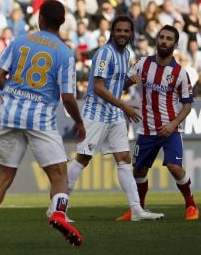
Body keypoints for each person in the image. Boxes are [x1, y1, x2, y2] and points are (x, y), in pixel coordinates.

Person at [0, 0, 86, 249]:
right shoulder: (65, 53)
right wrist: (79, 122)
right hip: (40, 117)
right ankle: (58, 213)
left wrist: (13, 95)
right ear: (63, 22)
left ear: (41, 19)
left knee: (3, 176)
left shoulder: (19, 40)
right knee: (59, 174)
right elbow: (67, 97)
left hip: (10, 114)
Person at [65, 16, 164, 222]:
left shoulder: (126, 53)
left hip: (114, 114)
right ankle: (57, 207)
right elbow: (99, 87)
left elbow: (114, 84)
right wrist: (124, 106)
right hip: (96, 114)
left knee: (124, 160)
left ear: (131, 34)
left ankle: (136, 210)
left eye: (126, 31)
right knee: (83, 159)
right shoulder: (104, 53)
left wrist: (130, 81)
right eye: (118, 30)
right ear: (112, 31)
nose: (122, 34)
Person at [121, 25, 198, 221]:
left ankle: (190, 205)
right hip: (146, 128)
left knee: (174, 167)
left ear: (174, 44)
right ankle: (139, 209)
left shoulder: (180, 73)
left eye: (168, 39)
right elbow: (122, 84)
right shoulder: (143, 63)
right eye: (161, 37)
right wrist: (129, 82)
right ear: (157, 40)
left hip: (169, 129)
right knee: (138, 169)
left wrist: (173, 124)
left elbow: (188, 105)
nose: (164, 41)